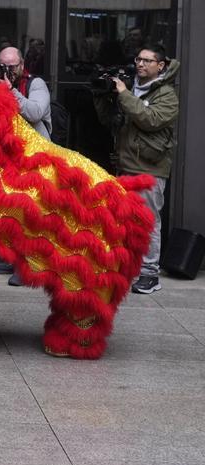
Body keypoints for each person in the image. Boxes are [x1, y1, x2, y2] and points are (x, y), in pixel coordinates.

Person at [94, 43, 179, 294]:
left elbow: (149, 119)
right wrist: (101, 97)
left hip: (150, 169)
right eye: (138, 59)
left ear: (160, 66)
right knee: (123, 221)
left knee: (149, 222)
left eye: (147, 61)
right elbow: (111, 121)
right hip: (125, 164)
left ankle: (150, 274)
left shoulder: (167, 95)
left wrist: (123, 94)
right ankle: (127, 268)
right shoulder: (129, 86)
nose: (140, 64)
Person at [0, 46, 54, 285]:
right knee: (13, 210)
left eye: (13, 66)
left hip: (36, 157)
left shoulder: (35, 84)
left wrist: (10, 92)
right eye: (3, 66)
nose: (9, 70)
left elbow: (36, 112)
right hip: (11, 157)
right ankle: (13, 258)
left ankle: (28, 264)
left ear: (21, 64)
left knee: (32, 213)